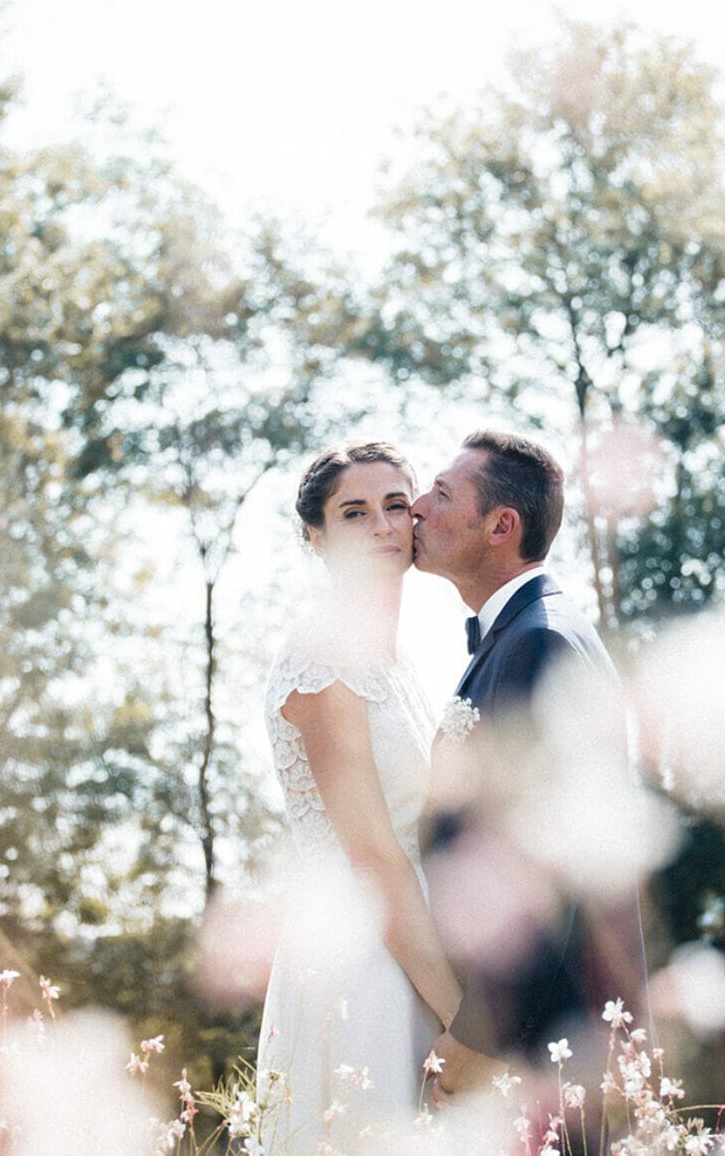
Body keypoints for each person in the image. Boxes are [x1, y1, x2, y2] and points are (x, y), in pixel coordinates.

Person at [411, 429, 640, 1106]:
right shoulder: (521, 637)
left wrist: (479, 1035)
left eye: (442, 493)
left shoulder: (540, 642)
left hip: (542, 1050)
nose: (418, 506)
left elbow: (541, 863)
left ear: (500, 526)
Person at [256, 441, 463, 1152]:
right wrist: (463, 1020)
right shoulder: (324, 657)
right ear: (316, 538)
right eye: (353, 513)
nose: (381, 526)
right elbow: (372, 854)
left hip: (417, 944)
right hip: (367, 959)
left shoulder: (394, 661)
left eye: (395, 505)